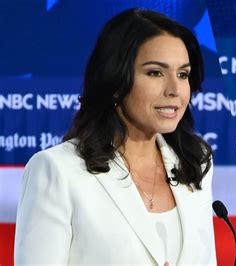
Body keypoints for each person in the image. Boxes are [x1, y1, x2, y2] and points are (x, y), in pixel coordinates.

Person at [14, 8, 216, 265]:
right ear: (115, 79)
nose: (175, 89)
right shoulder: (57, 170)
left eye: (183, 74)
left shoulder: (195, 163)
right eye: (155, 72)